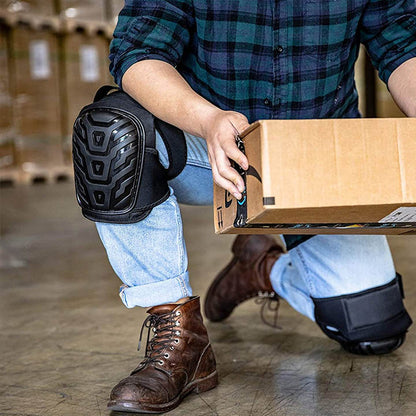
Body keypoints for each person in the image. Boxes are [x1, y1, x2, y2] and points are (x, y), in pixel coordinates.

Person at [83, 0, 416, 413]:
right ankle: (180, 333)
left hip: (313, 161)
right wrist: (207, 120)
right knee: (112, 131)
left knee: (374, 330)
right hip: (207, 144)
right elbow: (137, 52)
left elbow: (403, 44)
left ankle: (260, 266)